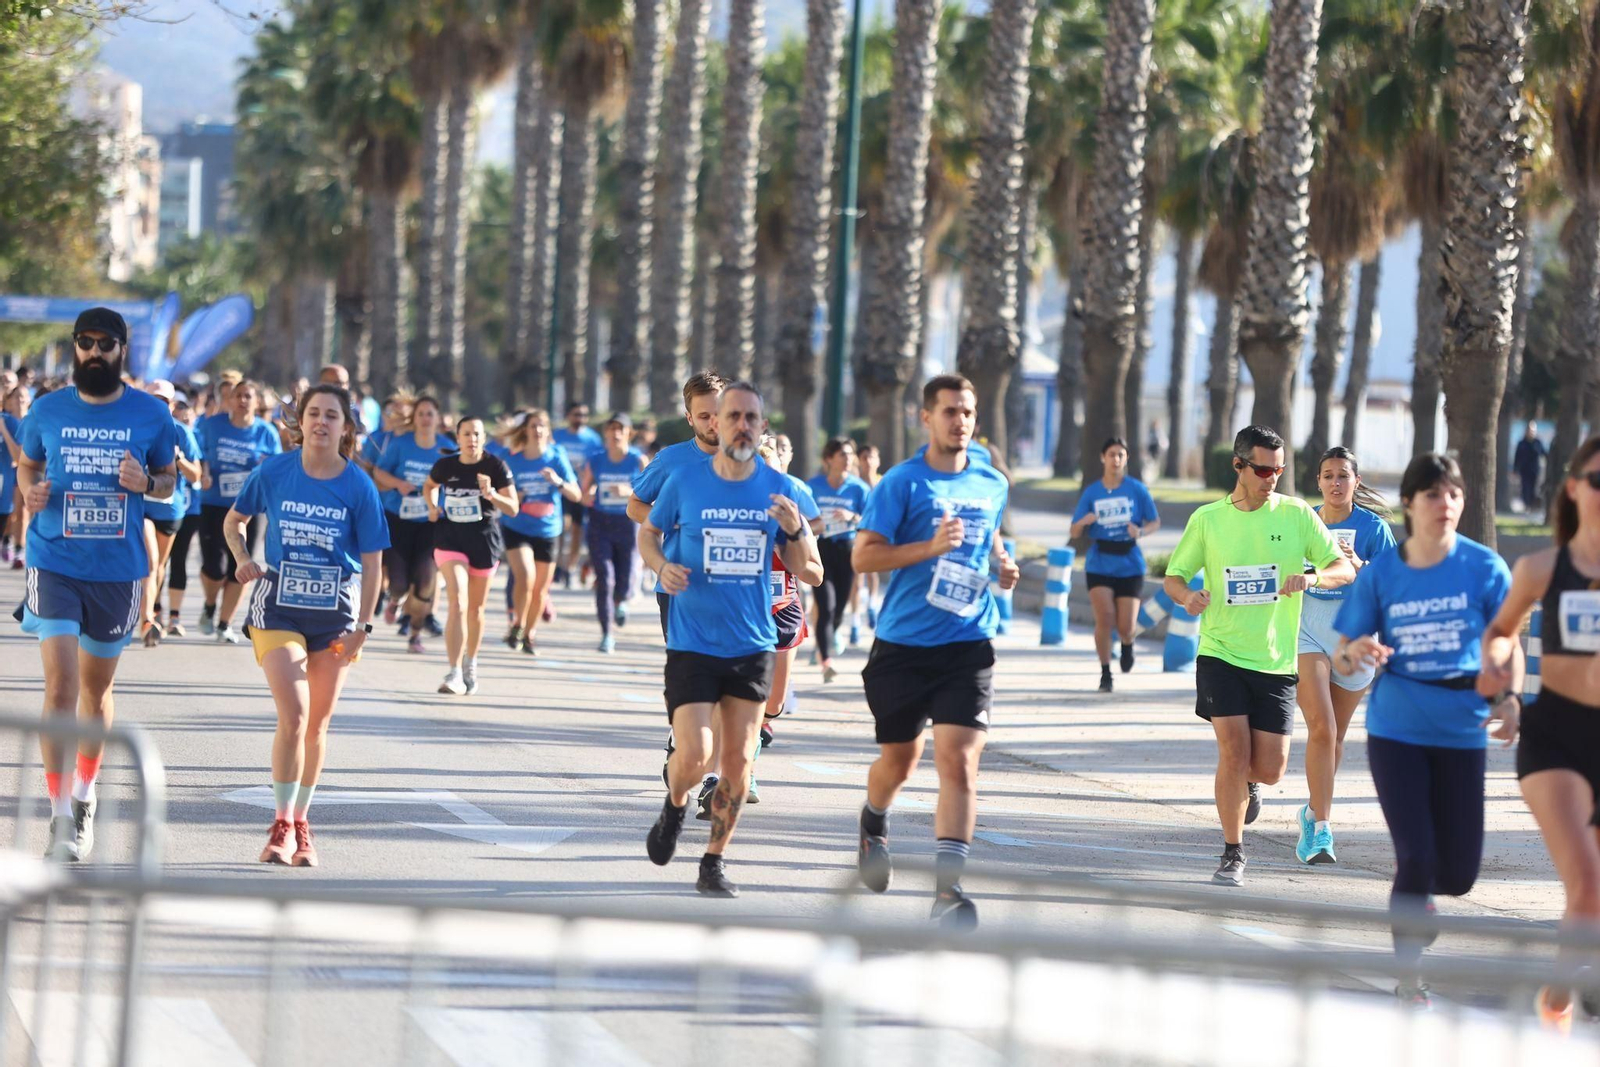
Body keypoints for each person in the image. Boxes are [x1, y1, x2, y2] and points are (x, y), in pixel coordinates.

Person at [1333, 452, 1518, 1007]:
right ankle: (1408, 973)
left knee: (1458, 874)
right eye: (1434, 495)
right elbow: (1342, 655)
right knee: (1416, 856)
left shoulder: (1486, 568)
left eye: (1455, 494)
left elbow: (1506, 640)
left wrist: (1508, 692)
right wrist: (1356, 652)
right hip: (1398, 729)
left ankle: (1421, 897)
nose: (1447, 505)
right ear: (1410, 503)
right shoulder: (1385, 573)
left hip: (1462, 729)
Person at [852, 374, 1020, 928]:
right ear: (926, 418)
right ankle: (874, 822)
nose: (960, 421)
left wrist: (1001, 564)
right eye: (949, 411)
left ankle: (948, 891)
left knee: (960, 761)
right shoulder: (901, 484)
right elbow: (863, 558)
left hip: (967, 642)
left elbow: (990, 535)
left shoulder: (992, 482)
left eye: (967, 412)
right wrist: (928, 548)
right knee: (899, 763)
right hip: (902, 645)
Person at [639, 381, 819, 897]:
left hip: (752, 644)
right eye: (732, 416)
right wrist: (661, 564)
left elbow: (813, 572)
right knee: (695, 754)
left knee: (737, 762)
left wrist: (798, 532)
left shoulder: (783, 490)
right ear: (715, 422)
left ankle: (713, 861)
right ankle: (674, 806)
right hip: (693, 640)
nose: (741, 425)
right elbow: (648, 531)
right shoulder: (686, 481)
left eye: (751, 418)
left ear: (762, 427)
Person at [1162, 425, 1355, 887]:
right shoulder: (1208, 519)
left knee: (1269, 769)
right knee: (1232, 751)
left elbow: (1343, 568)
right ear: (1239, 466)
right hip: (1221, 652)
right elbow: (1174, 577)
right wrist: (1187, 598)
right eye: (1264, 469)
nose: (1272, 477)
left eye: (1280, 470)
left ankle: (1249, 783)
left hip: (1275, 660)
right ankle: (1232, 851)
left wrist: (1312, 579)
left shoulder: (1296, 516)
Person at [17, 308, 178, 860]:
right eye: (84, 342)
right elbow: (28, 465)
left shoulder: (152, 414)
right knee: (60, 686)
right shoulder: (46, 409)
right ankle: (61, 816)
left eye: (104, 343)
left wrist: (147, 481)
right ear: (74, 348)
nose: (93, 352)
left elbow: (169, 482)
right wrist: (31, 493)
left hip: (117, 569)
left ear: (121, 351)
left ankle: (84, 794)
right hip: (53, 558)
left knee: (95, 690)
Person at [227, 384, 388, 867]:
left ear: (346, 427)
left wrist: (365, 624)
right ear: (300, 422)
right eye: (313, 413)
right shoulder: (274, 471)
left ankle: (301, 822)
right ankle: (279, 823)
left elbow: (373, 561)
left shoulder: (358, 485)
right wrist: (242, 559)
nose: (321, 422)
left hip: (336, 615)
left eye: (331, 415)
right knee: (294, 715)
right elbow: (233, 522)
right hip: (277, 607)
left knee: (317, 725)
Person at [1480, 435, 1600, 1030]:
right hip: (1556, 735)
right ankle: (1557, 1005)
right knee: (1587, 882)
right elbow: (1501, 630)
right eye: (1598, 480)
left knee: (1594, 898)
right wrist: (1501, 680)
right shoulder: (1541, 568)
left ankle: (1564, 989)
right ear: (1575, 488)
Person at [1293, 446, 1395, 865]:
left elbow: (1394, 585)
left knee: (1334, 737)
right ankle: (1321, 832)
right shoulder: (1304, 521)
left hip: (1354, 636)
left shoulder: (1373, 528)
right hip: (1307, 629)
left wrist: (1362, 565)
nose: (1335, 483)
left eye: (1343, 476)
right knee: (1321, 727)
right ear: (1318, 481)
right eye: (1328, 475)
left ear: (1356, 482)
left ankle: (1313, 810)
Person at [628, 372, 727, 637]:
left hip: (734, 589)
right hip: (680, 589)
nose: (713, 423)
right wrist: (673, 519)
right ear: (689, 418)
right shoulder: (670, 460)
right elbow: (634, 505)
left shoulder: (752, 461)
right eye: (704, 416)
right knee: (687, 673)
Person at [425, 416, 517, 695]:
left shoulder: (495, 466)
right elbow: (429, 486)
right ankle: (453, 672)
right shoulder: (446, 465)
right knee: (458, 602)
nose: (471, 439)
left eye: (476, 434)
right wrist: (432, 507)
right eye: (466, 434)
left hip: (483, 541)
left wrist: (491, 495)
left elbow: (513, 508)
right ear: (458, 437)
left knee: (476, 610)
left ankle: (470, 663)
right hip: (450, 538)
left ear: (483, 438)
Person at [1070, 437, 1160, 692]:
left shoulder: (1137, 489)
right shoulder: (1092, 492)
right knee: (1105, 618)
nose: (1116, 459)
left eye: (1121, 454)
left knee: (1127, 626)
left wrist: (1140, 532)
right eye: (1111, 454)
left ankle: (1127, 644)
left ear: (1126, 459)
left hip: (1129, 562)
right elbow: (1074, 532)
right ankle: (1105, 672)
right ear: (1103, 458)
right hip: (1099, 561)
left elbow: (1155, 522)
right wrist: (1084, 521)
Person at [197, 378, 282, 643]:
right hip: (214, 504)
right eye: (238, 396)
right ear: (230, 400)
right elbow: (200, 455)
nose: (243, 401)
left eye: (248, 396)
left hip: (249, 507)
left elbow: (275, 467)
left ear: (257, 402)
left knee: (240, 564)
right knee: (215, 566)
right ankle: (210, 604)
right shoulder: (211, 425)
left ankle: (225, 623)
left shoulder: (266, 432)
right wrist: (205, 473)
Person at [499, 409, 581, 655]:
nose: (537, 430)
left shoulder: (557, 456)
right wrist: (514, 496)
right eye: (533, 426)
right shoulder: (512, 457)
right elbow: (499, 491)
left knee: (541, 589)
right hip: (517, 526)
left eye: (541, 426)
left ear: (547, 431)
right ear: (525, 430)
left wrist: (557, 482)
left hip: (548, 529)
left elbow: (576, 494)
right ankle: (517, 623)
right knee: (525, 577)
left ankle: (529, 634)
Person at [371, 397, 450, 653]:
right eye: (421, 414)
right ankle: (395, 598)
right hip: (399, 519)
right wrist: (397, 484)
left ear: (438, 418)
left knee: (426, 581)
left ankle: (415, 634)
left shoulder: (447, 449)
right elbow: (379, 473)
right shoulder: (400, 444)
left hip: (431, 523)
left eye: (430, 414)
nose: (426, 419)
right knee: (399, 583)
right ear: (414, 419)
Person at [138, 381, 204, 646]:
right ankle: (147, 618)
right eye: (153, 399)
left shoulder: (182, 432)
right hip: (141, 506)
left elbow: (197, 475)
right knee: (150, 562)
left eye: (163, 401)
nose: (159, 405)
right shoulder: (135, 429)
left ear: (172, 404)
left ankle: (155, 607)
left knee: (159, 566)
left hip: (170, 507)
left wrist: (178, 460)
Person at [583, 412, 647, 653]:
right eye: (611, 429)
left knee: (626, 575)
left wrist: (628, 491)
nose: (615, 433)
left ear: (629, 433)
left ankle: (622, 601)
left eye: (621, 429)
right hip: (600, 523)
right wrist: (589, 493)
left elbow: (650, 492)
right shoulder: (596, 460)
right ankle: (607, 633)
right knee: (604, 578)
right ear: (605, 433)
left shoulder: (638, 460)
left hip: (628, 523)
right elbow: (583, 492)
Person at [807, 437, 871, 679]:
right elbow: (801, 519)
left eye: (850, 454)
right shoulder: (813, 486)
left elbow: (870, 522)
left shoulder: (859, 489)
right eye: (842, 454)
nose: (848, 459)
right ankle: (826, 662)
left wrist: (851, 517)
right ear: (828, 459)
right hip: (821, 549)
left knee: (839, 610)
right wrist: (816, 525)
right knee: (826, 605)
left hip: (847, 549)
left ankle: (825, 641)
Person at [162, 392, 204, 635]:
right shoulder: (153, 429)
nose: (183, 418)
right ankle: (154, 612)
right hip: (160, 507)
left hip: (189, 508)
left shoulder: (188, 435)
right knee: (157, 562)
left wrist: (178, 458)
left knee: (178, 560)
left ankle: (174, 618)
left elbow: (198, 473)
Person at [553, 402, 603, 587]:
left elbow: (599, 464)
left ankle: (569, 568)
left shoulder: (593, 439)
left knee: (577, 530)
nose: (580, 418)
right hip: (561, 489)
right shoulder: (558, 436)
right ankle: (557, 565)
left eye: (583, 415)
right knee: (561, 527)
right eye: (576, 414)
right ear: (568, 416)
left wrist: (591, 485)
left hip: (581, 492)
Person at [853, 443, 884, 628]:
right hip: (855, 534)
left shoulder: (883, 483)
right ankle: (856, 620)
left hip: (877, 533)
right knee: (857, 577)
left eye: (872, 457)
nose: (869, 462)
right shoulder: (853, 483)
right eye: (864, 458)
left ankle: (872, 605)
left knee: (873, 572)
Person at [1514, 422, 1548, 513]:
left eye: (1533, 430)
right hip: (1524, 470)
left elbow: (1543, 454)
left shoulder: (1538, 442)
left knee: (1534, 489)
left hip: (1535, 470)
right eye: (1529, 430)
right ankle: (1526, 505)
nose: (1531, 432)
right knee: (1525, 488)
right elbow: (1517, 457)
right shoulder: (1521, 443)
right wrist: (1515, 469)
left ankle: (1532, 506)